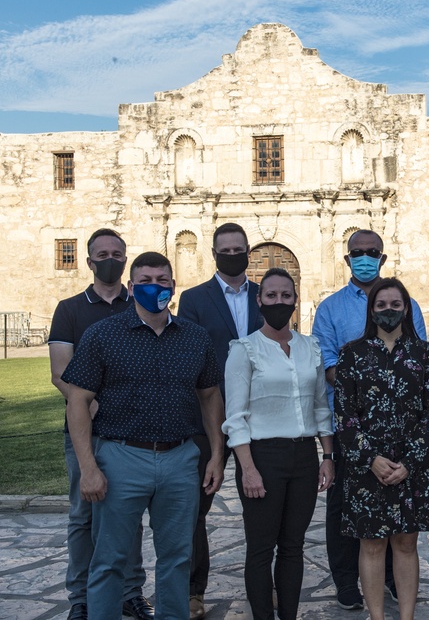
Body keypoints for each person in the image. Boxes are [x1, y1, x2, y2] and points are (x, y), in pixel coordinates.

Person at [61, 252, 225, 620]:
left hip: (180, 458)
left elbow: (210, 394)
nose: (156, 286)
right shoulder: (102, 335)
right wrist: (88, 466)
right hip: (121, 457)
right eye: (147, 281)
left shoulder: (195, 338)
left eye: (163, 280)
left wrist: (216, 453)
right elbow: (78, 399)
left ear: (173, 285)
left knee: (177, 559)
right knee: (110, 559)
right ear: (132, 288)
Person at [312, 229, 427, 610]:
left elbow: (421, 369)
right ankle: (347, 582)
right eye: (357, 252)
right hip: (357, 432)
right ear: (347, 258)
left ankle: (393, 582)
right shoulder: (330, 309)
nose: (365, 257)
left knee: (400, 526)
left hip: (404, 438)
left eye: (371, 251)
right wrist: (366, 381)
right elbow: (328, 362)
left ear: (382, 256)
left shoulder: (408, 308)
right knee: (347, 512)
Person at [48, 229, 151, 620]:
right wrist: (87, 406)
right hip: (85, 430)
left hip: (132, 432)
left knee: (130, 515)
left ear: (126, 260)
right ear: (89, 262)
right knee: (83, 516)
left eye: (117, 253)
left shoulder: (138, 305)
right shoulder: (70, 309)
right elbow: (61, 373)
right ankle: (81, 597)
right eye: (102, 254)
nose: (110, 259)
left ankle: (130, 591)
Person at [223, 267, 335, 620]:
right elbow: (235, 416)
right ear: (259, 301)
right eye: (271, 295)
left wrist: (328, 456)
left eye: (286, 295)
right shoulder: (245, 350)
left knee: (293, 547)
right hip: (263, 458)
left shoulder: (310, 348)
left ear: (295, 299)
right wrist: (248, 469)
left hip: (303, 457)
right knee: (260, 549)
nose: (279, 301)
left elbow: (320, 406)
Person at [334, 277, 429, 620]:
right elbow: (344, 416)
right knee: (371, 545)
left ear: (406, 308)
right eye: (381, 305)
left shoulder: (425, 353)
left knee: (406, 544)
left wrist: (409, 462)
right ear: (371, 310)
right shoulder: (352, 354)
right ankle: (378, 617)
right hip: (367, 467)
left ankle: (407, 616)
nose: (388, 310)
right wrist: (371, 460)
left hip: (412, 466)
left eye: (395, 304)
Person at [177, 222, 263, 619]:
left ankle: (262, 587)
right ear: (214, 253)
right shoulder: (194, 299)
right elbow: (191, 353)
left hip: (258, 418)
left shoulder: (266, 296)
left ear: (249, 250)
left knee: (262, 507)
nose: (233, 254)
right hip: (206, 417)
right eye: (225, 250)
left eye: (239, 249)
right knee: (195, 507)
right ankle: (194, 591)